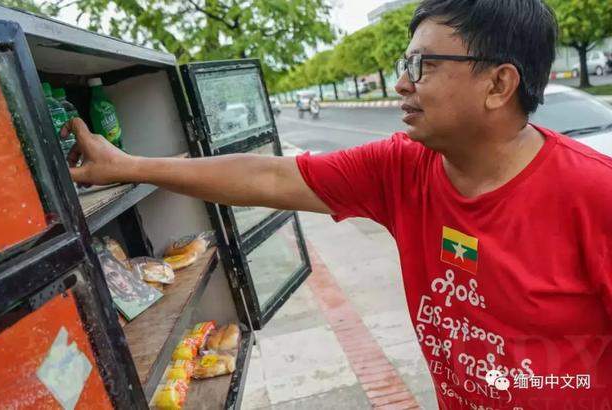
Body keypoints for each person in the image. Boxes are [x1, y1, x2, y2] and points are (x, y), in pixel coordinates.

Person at [64, 0, 612, 407]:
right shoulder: (402, 168)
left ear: (499, 84)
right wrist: (126, 166)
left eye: (422, 66)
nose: (401, 83)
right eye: (405, 63)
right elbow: (269, 176)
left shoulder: (594, 196)